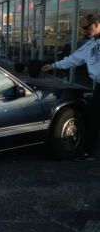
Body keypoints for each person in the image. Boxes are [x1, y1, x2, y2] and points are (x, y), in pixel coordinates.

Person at [41, 13, 100, 160]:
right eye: (82, 29)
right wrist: (53, 65)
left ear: (97, 23)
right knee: (93, 119)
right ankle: (88, 152)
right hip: (99, 85)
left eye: (86, 27)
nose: (84, 31)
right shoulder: (90, 44)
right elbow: (73, 59)